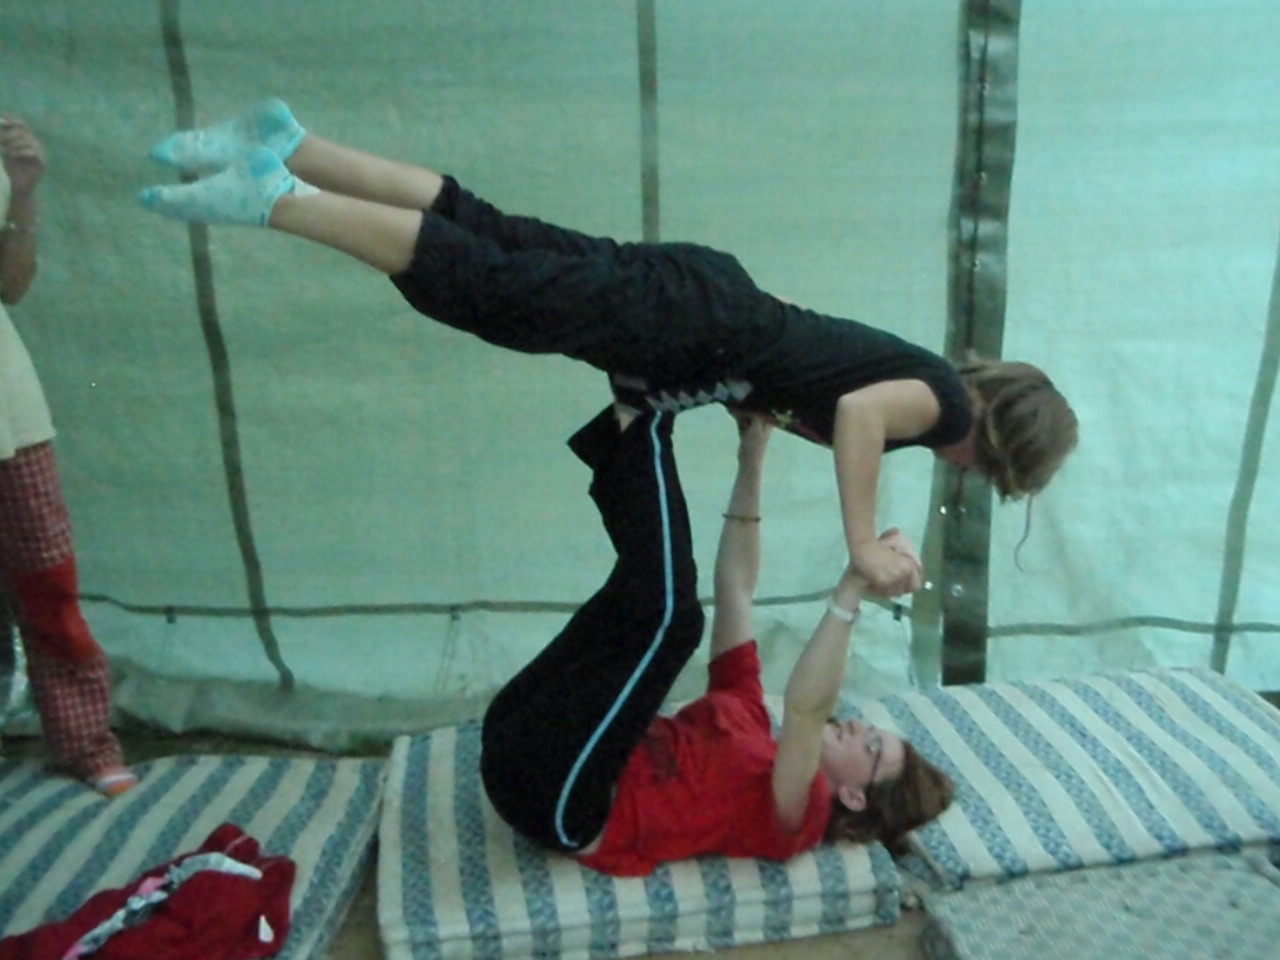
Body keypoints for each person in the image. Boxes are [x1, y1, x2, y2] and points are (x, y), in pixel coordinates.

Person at [138, 97, 1078, 596]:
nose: (967, 474)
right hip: (702, 318)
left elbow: (806, 337)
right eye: (988, 476)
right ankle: (279, 199)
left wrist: (749, 401)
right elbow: (863, 417)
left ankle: (294, 144)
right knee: (496, 291)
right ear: (994, 447)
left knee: (501, 238)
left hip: (712, 296)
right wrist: (862, 542)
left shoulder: (924, 368)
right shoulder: (941, 409)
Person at [479, 404, 953, 875]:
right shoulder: (747, 715)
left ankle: (642, 417)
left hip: (560, 803)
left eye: (872, 748)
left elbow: (806, 711)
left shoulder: (795, 816)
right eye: (872, 730)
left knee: (675, 620)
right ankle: (628, 424)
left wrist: (853, 584)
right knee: (644, 595)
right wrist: (752, 456)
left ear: (853, 796)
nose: (859, 728)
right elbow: (736, 589)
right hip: (516, 735)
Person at [0, 117, 136, 796]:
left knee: (47, 582)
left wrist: (23, 190)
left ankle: (85, 744)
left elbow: (11, 285)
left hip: (9, 407)